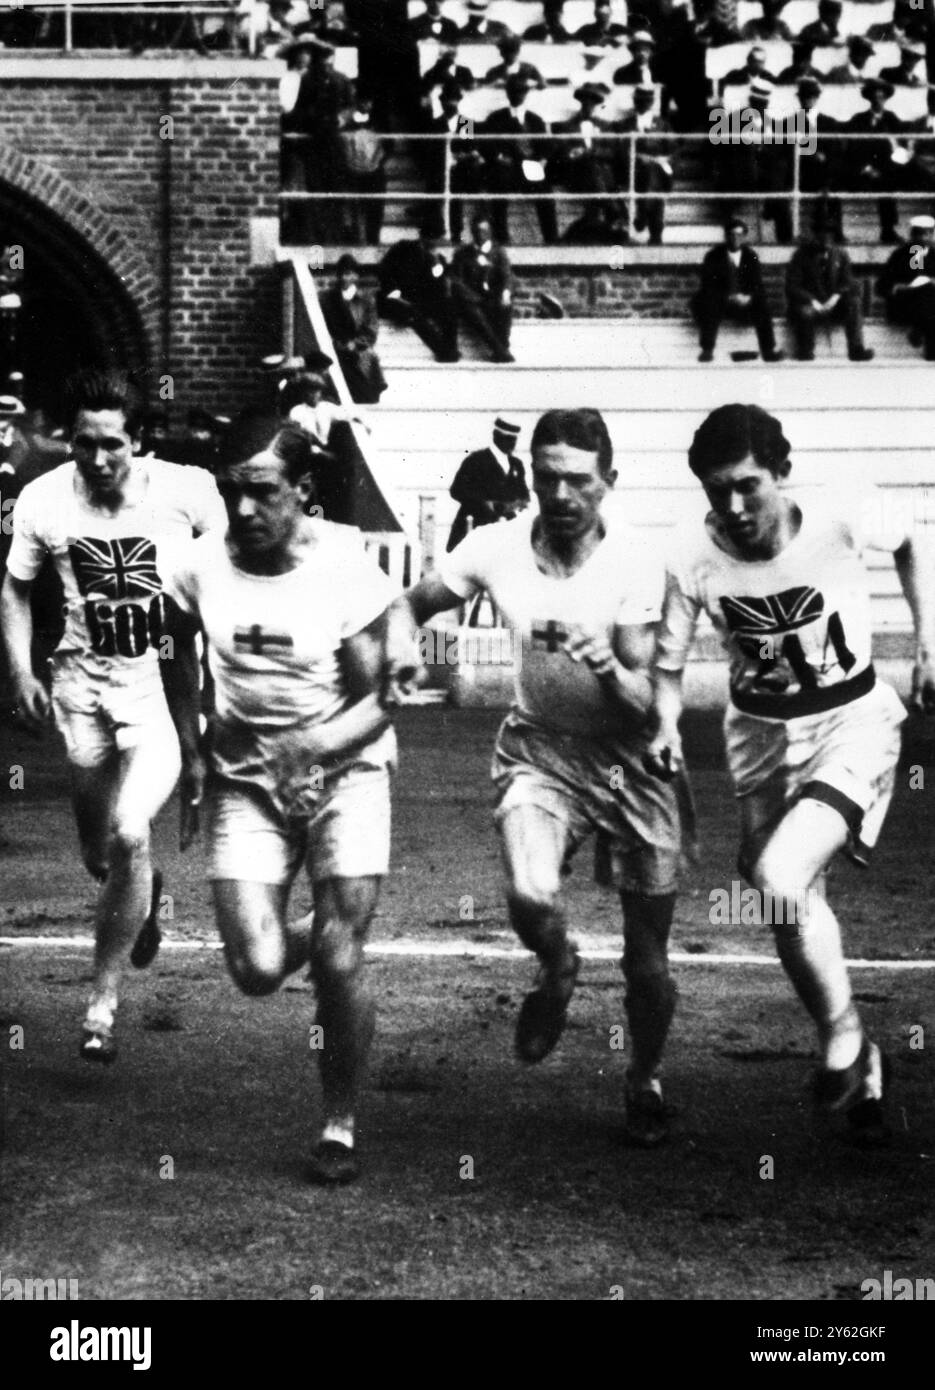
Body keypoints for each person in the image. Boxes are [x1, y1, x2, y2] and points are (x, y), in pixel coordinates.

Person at [385, 408, 683, 1148]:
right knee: (528, 892)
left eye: (577, 479)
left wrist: (608, 665)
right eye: (544, 476)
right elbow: (407, 605)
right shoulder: (494, 546)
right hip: (538, 748)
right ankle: (557, 967)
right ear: (528, 475)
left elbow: (648, 699)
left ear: (607, 482)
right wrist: (400, 654)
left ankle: (643, 1076)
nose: (559, 493)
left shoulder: (637, 563)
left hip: (632, 762)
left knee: (647, 963)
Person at [651, 402, 935, 1144]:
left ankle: (840, 1036)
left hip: (851, 721)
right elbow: (668, 665)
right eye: (717, 491)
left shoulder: (841, 511)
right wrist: (660, 726)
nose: (735, 506)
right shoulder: (689, 553)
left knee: (779, 878)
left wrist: (927, 642)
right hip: (758, 738)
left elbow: (912, 540)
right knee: (783, 892)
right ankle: (860, 1054)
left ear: (781, 471)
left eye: (748, 485)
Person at [159, 414, 398, 1185]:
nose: (246, 510)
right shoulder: (197, 567)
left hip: (345, 769)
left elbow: (385, 697)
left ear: (303, 491)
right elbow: (175, 646)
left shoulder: (344, 568)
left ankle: (339, 1124)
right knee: (257, 968)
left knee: (337, 958)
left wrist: (315, 749)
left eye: (263, 493)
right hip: (244, 778)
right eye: (233, 493)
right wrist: (193, 750)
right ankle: (324, 922)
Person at [0, 369, 225, 1063]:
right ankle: (144, 892)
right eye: (86, 446)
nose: (98, 461)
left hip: (155, 683)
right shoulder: (44, 500)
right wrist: (20, 671)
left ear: (139, 441)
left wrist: (215, 694)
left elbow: (226, 576)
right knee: (102, 855)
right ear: (71, 440)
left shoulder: (185, 491)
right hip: (79, 685)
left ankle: (101, 1001)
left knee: (131, 830)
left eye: (113, 447)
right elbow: (14, 590)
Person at [692, 218, 784, 362]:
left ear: (744, 237)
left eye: (740, 235)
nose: (736, 238)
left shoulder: (750, 256)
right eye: (732, 234)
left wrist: (748, 297)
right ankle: (707, 350)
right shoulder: (713, 256)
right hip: (722, 302)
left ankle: (768, 350)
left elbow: (757, 284)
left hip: (744, 303)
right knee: (709, 304)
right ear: (726, 236)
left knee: (762, 305)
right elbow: (708, 285)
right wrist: (728, 297)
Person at [483, 73, 558, 246]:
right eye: (514, 91)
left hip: (531, 167)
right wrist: (499, 157)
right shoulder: (497, 118)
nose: (517, 95)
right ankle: (502, 238)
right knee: (499, 185)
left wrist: (543, 160)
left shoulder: (535, 119)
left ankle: (551, 239)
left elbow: (545, 145)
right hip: (508, 166)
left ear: (526, 94)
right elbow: (486, 143)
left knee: (546, 192)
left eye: (521, 91)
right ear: (508, 93)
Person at [785, 223, 874, 360]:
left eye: (828, 243)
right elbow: (792, 286)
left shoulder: (841, 254)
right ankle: (805, 351)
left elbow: (847, 281)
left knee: (853, 303)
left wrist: (835, 297)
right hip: (811, 304)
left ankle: (856, 350)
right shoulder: (800, 255)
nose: (825, 251)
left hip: (833, 305)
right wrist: (812, 301)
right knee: (804, 312)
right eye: (820, 240)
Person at [377, 224, 460, 362]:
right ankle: (443, 351)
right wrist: (395, 293)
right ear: (422, 236)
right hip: (394, 299)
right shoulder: (402, 248)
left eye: (436, 239)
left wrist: (436, 263)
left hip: (419, 301)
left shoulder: (437, 259)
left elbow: (439, 288)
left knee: (449, 307)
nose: (433, 242)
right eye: (430, 238)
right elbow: (384, 271)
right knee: (414, 314)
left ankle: (451, 348)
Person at [446, 415, 528, 552]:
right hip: (476, 524)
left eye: (513, 439)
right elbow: (456, 490)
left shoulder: (516, 465)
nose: (511, 443)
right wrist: (483, 503)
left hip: (504, 529)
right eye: (507, 438)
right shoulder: (476, 460)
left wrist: (516, 504)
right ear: (495, 436)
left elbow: (524, 496)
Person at [846, 78, 907, 244]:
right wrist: (866, 168)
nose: (878, 101)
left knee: (887, 182)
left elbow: (900, 148)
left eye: (881, 97)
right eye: (875, 97)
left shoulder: (892, 120)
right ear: (869, 99)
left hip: (886, 170)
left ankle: (888, 230)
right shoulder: (859, 120)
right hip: (864, 170)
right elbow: (853, 149)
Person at [320, 253, 387, 404]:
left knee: (368, 360)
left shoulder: (366, 301)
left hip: (358, 348)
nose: (344, 278)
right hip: (335, 347)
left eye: (349, 274)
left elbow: (371, 330)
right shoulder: (327, 299)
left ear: (356, 276)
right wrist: (335, 343)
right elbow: (323, 326)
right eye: (342, 274)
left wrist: (355, 343)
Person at [615, 84, 675, 245]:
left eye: (647, 100)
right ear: (635, 102)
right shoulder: (625, 125)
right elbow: (620, 150)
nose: (643, 104)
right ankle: (655, 233)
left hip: (657, 170)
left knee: (653, 175)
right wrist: (638, 156)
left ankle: (642, 213)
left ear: (652, 102)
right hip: (632, 170)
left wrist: (661, 159)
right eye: (640, 100)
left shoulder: (662, 125)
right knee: (652, 182)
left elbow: (672, 151)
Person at [451, 215, 516, 362]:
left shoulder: (498, 253)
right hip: (473, 300)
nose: (481, 235)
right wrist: (475, 298)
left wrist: (505, 293)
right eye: (477, 232)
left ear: (490, 232)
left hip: (493, 298)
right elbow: (457, 281)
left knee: (506, 304)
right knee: (470, 308)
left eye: (484, 231)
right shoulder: (462, 254)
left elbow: (507, 276)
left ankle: (502, 346)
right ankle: (498, 348)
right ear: (472, 233)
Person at [877, 212, 935, 360]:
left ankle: (919, 330)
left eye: (926, 234)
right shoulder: (900, 255)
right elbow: (882, 286)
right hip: (904, 305)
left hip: (928, 306)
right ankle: (930, 347)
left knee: (928, 291)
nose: (922, 239)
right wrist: (902, 287)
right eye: (918, 235)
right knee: (926, 293)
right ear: (912, 235)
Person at [337, 91, 390, 247]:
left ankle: (373, 239)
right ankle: (357, 240)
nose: (367, 105)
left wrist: (377, 162)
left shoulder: (379, 122)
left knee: (375, 208)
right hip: (354, 170)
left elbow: (388, 146)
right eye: (363, 101)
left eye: (369, 102)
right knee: (354, 208)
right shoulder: (348, 122)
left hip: (374, 171)